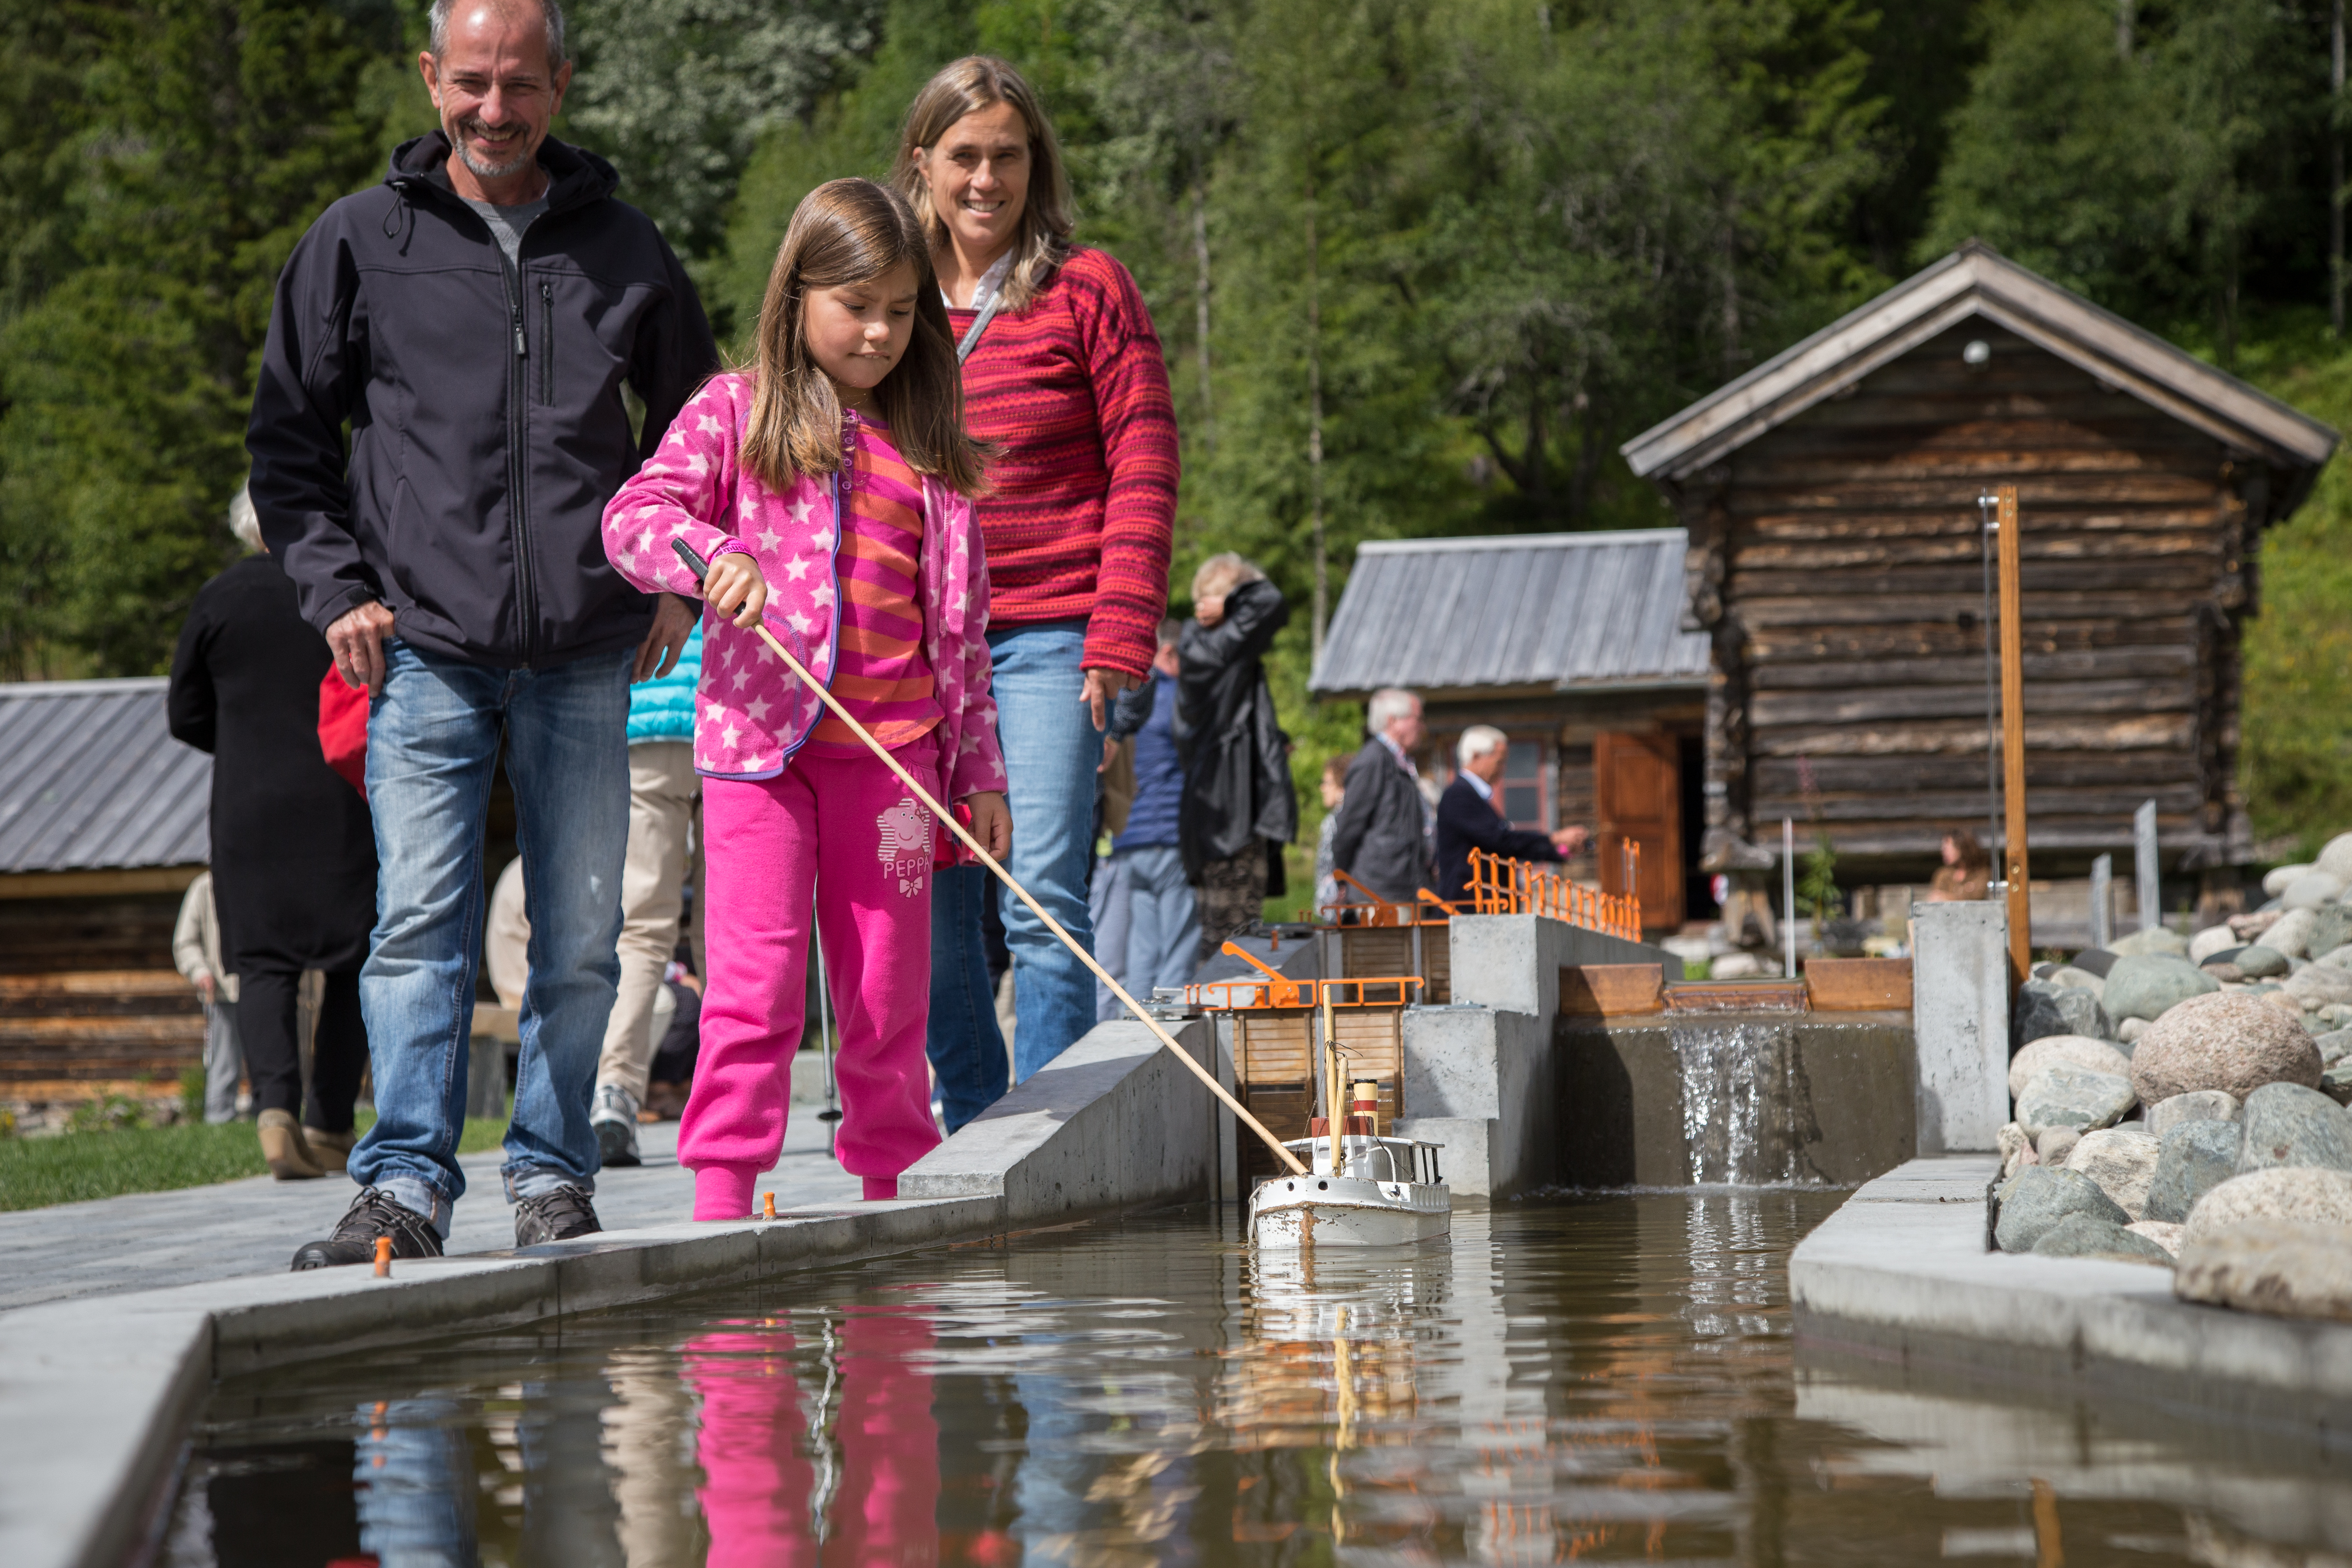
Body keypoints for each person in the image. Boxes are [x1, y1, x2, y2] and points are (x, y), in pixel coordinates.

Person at [249, 0, 719, 1266]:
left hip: (590, 647)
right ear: (430, 77)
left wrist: (675, 574)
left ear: (561, 84)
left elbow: (699, 427)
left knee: (580, 936)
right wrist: (336, 586)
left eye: (518, 84)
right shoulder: (358, 241)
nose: (493, 110)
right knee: (418, 927)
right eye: (471, 83)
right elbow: (287, 440)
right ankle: (404, 1184)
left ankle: (554, 1174)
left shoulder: (625, 245)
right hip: (424, 649)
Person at [599, 177, 1009, 1217]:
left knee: (887, 991)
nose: (878, 332)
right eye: (855, 305)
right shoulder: (733, 411)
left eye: (902, 310)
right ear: (796, 298)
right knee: (755, 984)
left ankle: (890, 1192)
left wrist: (979, 773)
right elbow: (632, 515)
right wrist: (710, 552)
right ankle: (723, 1196)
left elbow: (963, 639)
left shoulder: (930, 449)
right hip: (757, 759)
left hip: (899, 768)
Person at [893, 57, 1178, 1104]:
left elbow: (1144, 454)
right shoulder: (884, 296)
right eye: (964, 155)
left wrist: (1119, 631)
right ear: (922, 162)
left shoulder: (1088, 285)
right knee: (933, 897)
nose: (986, 178)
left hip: (1052, 632)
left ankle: (1054, 1135)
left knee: (1042, 891)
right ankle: (975, 1128)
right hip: (916, 643)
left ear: (1035, 162)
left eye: (1006, 155)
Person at [169, 491, 378, 1181]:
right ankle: (331, 1122)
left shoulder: (218, 598)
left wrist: (241, 739)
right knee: (351, 960)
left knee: (262, 964)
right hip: (342, 796)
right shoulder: (350, 594)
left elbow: (183, 713)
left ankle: (276, 1114)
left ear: (245, 528)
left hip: (249, 804)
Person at [590, 621, 704, 1166]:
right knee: (727, 925)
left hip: (649, 709)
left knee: (641, 926)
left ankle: (615, 1092)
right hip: (733, 716)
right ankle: (732, 1090)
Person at [1176, 554, 1297, 960]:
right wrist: (1231, 602)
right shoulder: (1215, 646)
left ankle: (1223, 997)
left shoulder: (1206, 647)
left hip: (1223, 811)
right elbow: (1270, 601)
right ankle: (1226, 1001)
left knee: (1227, 932)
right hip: (1231, 817)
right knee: (1234, 940)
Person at [1093, 621, 1196, 1019]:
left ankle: (1136, 1022)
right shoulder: (1178, 699)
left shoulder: (1124, 701)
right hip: (1169, 835)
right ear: (1168, 654)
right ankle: (1171, 1027)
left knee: (1141, 944)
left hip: (1128, 838)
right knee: (1178, 942)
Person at [1435, 726, 1587, 905]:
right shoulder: (1459, 796)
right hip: (1469, 904)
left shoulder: (1471, 796)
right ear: (1477, 756)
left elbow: (1504, 844)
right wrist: (1555, 840)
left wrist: (1559, 850)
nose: (1503, 769)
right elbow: (1500, 840)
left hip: (1485, 903)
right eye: (1500, 762)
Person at [1328, 688, 1435, 905]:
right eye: (1418, 719)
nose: (1422, 727)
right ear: (1393, 721)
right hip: (1380, 892)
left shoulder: (1399, 761)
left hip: (1404, 888)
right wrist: (1343, 878)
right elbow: (1348, 828)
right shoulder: (1373, 761)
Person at [171, 872, 244, 1126]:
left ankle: (272, 1120)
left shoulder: (264, 876)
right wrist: (200, 970)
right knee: (224, 1061)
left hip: (267, 991)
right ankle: (219, 1119)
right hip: (224, 991)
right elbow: (185, 942)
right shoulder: (205, 887)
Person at [1312, 756, 1349, 912]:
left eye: (1327, 783)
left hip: (1338, 907)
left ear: (1342, 788)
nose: (1323, 788)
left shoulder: (1335, 822)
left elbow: (1328, 868)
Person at [1926, 828, 1992, 902]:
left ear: (1962, 847)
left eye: (1948, 846)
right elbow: (1935, 899)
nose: (1944, 851)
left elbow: (1977, 896)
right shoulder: (1943, 874)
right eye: (1943, 847)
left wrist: (1948, 897)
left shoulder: (1981, 874)